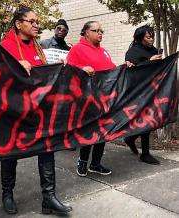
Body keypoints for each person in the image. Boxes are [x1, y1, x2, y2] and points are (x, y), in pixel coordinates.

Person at [0, 5, 72, 215]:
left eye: (37, 22)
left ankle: (49, 198)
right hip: (13, 111)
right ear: (18, 23)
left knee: (46, 148)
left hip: (38, 110)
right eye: (31, 21)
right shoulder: (5, 46)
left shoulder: (38, 47)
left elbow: (40, 74)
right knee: (10, 153)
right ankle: (7, 194)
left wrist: (56, 67)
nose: (36, 25)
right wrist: (14, 66)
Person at [67, 21, 114, 177]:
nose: (100, 33)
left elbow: (113, 71)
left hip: (104, 99)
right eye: (96, 30)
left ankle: (95, 164)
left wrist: (125, 66)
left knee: (103, 132)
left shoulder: (104, 51)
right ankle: (83, 162)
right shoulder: (77, 49)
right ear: (86, 32)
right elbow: (67, 70)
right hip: (86, 99)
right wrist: (82, 69)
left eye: (102, 30)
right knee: (89, 131)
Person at [123, 25, 161, 165]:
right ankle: (145, 153)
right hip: (138, 92)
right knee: (147, 120)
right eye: (148, 36)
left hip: (153, 90)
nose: (151, 39)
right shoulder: (133, 52)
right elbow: (132, 72)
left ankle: (131, 139)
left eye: (152, 36)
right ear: (140, 38)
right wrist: (149, 62)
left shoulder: (154, 50)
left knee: (154, 120)